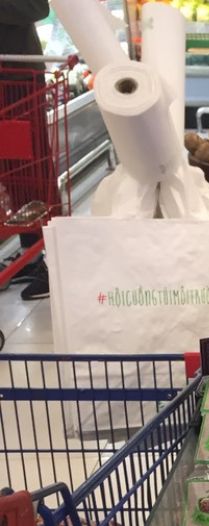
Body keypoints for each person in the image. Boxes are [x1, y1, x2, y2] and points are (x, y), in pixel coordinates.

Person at [0, 0, 52, 301]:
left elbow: (37, 7)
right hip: (6, 77)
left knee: (33, 168)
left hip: (20, 77)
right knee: (11, 172)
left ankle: (52, 257)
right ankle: (30, 252)